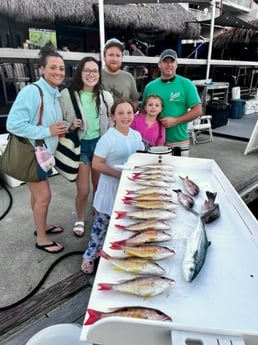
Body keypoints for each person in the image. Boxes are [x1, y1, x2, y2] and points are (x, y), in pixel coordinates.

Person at [6, 41, 68, 254]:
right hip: (32, 154)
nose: (58, 72)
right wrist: (47, 132)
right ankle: (42, 238)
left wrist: (59, 129)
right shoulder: (33, 92)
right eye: (53, 67)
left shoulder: (54, 93)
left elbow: (48, 123)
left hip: (44, 155)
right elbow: (13, 124)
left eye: (61, 68)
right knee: (44, 197)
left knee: (37, 196)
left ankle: (41, 226)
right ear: (41, 69)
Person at [81, 99, 145, 274]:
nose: (126, 116)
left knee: (125, 222)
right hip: (110, 188)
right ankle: (90, 255)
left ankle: (118, 253)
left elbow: (141, 156)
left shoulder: (136, 135)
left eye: (129, 112)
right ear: (113, 116)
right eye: (121, 113)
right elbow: (96, 164)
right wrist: (119, 174)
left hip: (129, 186)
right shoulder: (107, 138)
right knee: (101, 223)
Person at [60, 57, 113, 237]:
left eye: (95, 71)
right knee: (83, 189)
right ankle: (80, 218)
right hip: (80, 146)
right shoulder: (67, 94)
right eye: (87, 70)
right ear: (80, 72)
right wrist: (69, 125)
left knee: (99, 186)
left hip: (100, 145)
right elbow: (59, 119)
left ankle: (97, 212)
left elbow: (112, 122)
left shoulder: (106, 96)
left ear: (99, 74)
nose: (91, 74)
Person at [142, 49, 202, 156]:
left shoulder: (186, 84)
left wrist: (176, 121)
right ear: (159, 64)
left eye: (172, 61)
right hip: (154, 142)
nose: (169, 65)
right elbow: (143, 113)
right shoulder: (149, 87)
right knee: (156, 172)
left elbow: (198, 110)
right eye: (165, 61)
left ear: (176, 64)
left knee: (180, 172)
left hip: (179, 141)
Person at [101, 38, 139, 111]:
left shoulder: (129, 77)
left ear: (122, 58)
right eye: (111, 55)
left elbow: (135, 101)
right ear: (104, 56)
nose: (114, 59)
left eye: (118, 55)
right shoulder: (96, 77)